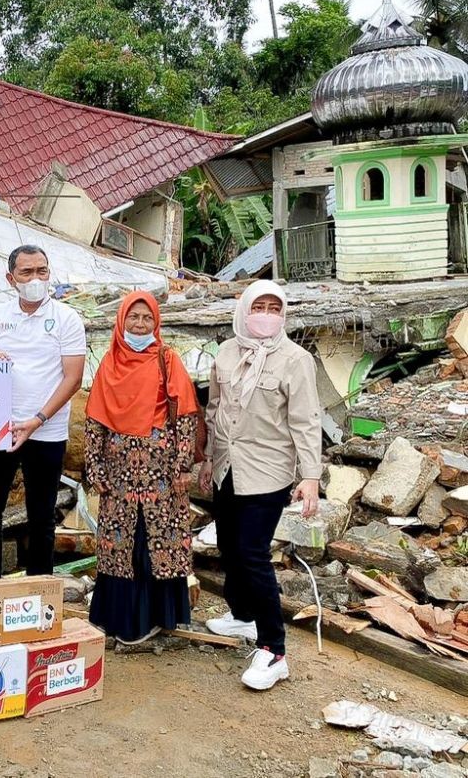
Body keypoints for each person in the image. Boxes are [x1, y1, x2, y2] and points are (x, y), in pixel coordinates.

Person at [199, 280, 322, 691]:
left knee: (252, 553)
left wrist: (309, 476)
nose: (266, 314)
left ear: (283, 314)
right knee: (230, 547)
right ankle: (242, 616)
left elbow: (305, 420)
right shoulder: (228, 351)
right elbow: (215, 408)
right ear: (245, 309)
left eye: (274, 307)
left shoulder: (295, 360)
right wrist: (207, 461)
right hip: (227, 468)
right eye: (259, 306)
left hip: (267, 472)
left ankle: (275, 649)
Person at [85, 291, 199, 644]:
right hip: (118, 470)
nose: (139, 324)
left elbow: (185, 416)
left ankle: (156, 618)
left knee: (157, 540)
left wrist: (182, 466)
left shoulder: (168, 359)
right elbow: (94, 421)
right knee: (118, 542)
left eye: (146, 318)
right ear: (121, 321)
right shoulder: (109, 363)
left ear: (156, 322)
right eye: (133, 318)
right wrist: (95, 467)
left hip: (159, 469)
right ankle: (117, 618)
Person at [0, 245, 86, 578]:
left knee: (41, 513)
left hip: (46, 431)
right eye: (27, 272)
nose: (36, 278)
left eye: (42, 271)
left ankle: (39, 585)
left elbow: (73, 378)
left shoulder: (66, 319)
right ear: (11, 278)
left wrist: (37, 420)